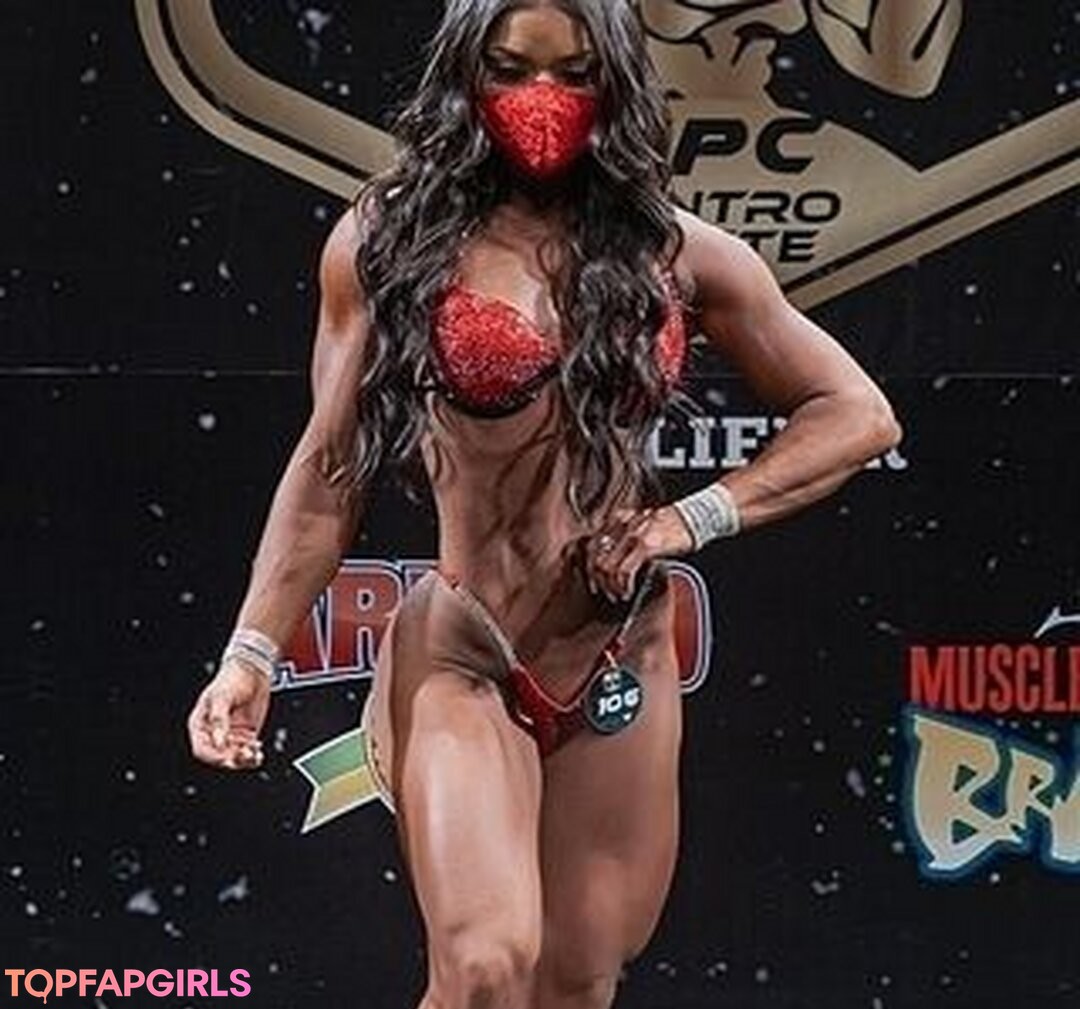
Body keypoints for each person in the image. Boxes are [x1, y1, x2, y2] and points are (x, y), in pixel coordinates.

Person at [187, 2, 902, 1007]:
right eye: (511, 67)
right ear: (465, 75)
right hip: (466, 649)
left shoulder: (676, 253)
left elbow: (858, 413)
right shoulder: (386, 241)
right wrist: (250, 653)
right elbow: (328, 466)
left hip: (619, 656)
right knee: (484, 970)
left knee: (575, 982)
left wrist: (688, 518)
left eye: (573, 72)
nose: (542, 98)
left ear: (616, 81)